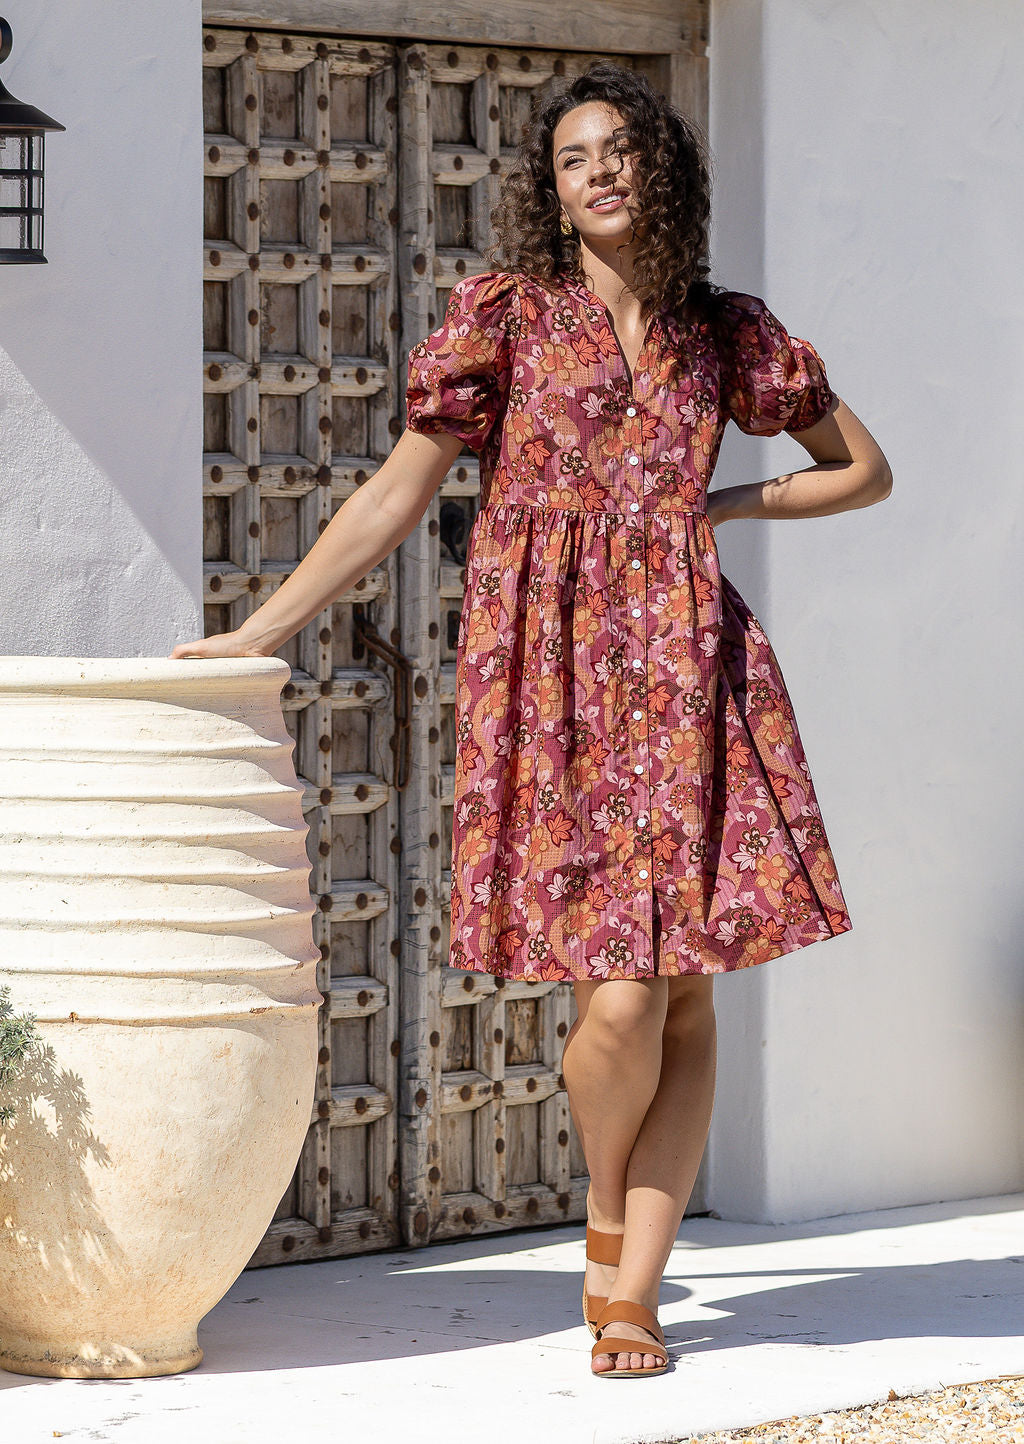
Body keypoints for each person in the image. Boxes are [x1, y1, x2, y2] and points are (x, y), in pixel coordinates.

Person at [172, 62, 891, 1380]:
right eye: (574, 157)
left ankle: (635, 1287)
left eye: (622, 149)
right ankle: (606, 1214)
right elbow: (398, 491)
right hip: (553, 678)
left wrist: (726, 513)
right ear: (551, 193)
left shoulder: (728, 332)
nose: (600, 170)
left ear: (660, 171)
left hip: (688, 670)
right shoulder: (506, 318)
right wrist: (261, 629)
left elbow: (861, 471)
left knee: (682, 991)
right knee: (617, 997)